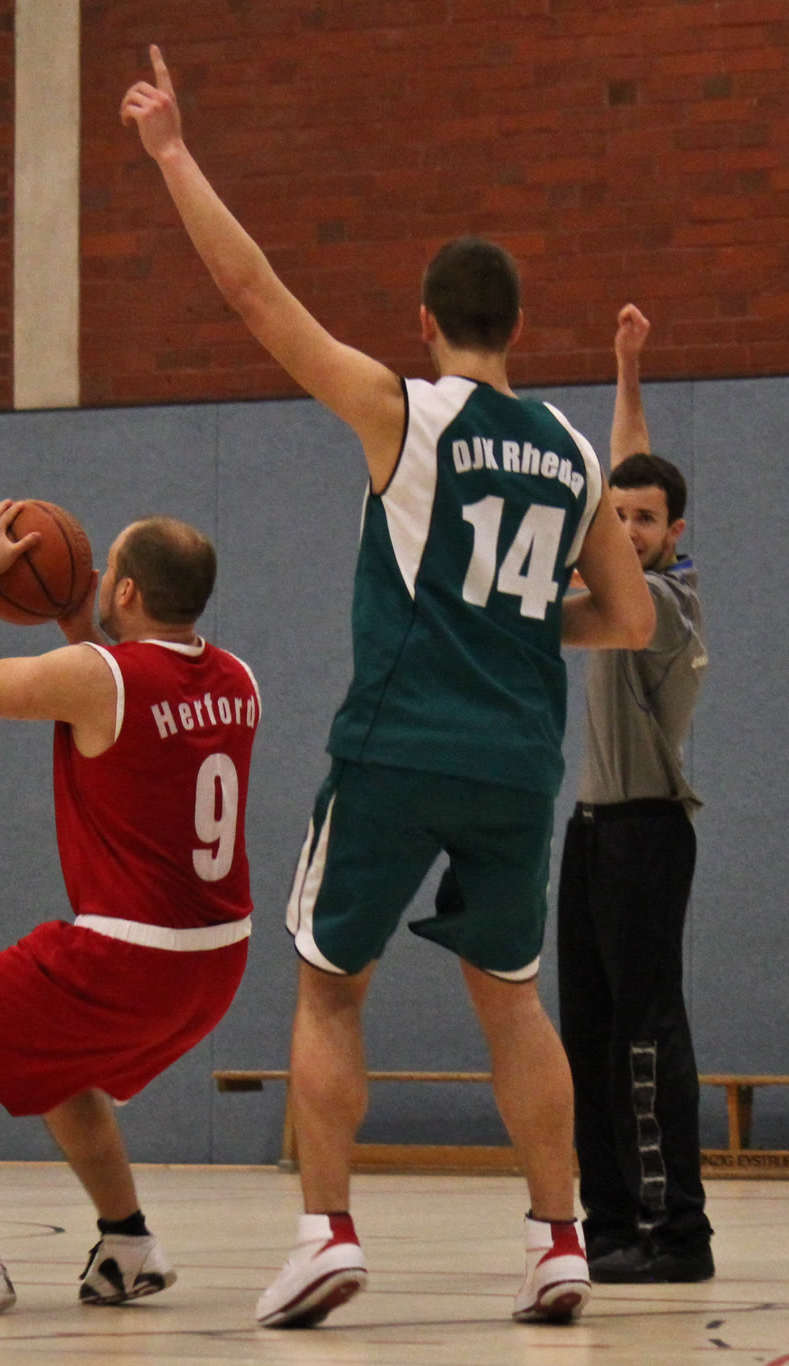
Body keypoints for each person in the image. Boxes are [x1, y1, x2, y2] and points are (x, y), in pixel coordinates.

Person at [122, 47, 655, 1328]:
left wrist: (172, 152)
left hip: (399, 743)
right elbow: (628, 616)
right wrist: (515, 625)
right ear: (513, 326)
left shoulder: (407, 415)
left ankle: (325, 1231)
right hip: (519, 760)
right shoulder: (571, 451)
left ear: (424, 323)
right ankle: (558, 1240)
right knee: (512, 999)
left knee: (328, 982)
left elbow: (255, 294)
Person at [0, 504, 260, 1316]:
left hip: (129, 952)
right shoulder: (238, 679)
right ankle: (127, 1244)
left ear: (130, 592)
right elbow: (130, 693)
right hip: (218, 959)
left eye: (110, 568)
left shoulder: (98, 679)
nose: (99, 576)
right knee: (59, 1071)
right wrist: (81, 623)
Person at [557, 306, 714, 1284]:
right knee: (586, 1035)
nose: (625, 531)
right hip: (590, 832)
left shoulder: (658, 605)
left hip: (646, 834)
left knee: (644, 1038)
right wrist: (625, 369)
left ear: (674, 533)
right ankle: (608, 1223)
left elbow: (572, 607)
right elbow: (622, 477)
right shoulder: (631, 566)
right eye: (615, 517)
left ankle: (677, 1231)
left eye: (643, 520)